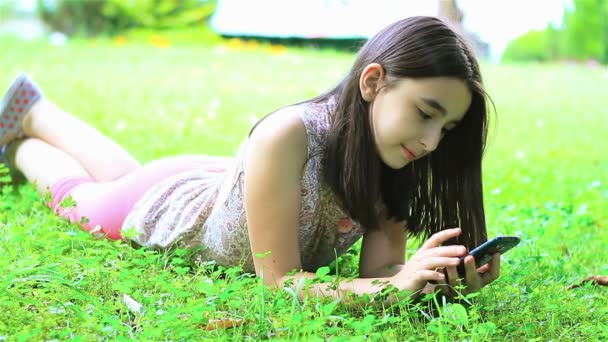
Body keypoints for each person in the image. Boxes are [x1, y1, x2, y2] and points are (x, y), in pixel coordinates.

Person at [0, 16, 500, 304]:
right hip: (171, 207)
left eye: (447, 128)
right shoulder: (290, 132)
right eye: (425, 113)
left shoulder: (398, 155)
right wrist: (390, 291)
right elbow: (280, 282)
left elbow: (382, 269)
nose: (433, 141)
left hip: (226, 185)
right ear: (372, 83)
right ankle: (21, 142)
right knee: (83, 201)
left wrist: (427, 277)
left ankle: (34, 110)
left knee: (122, 176)